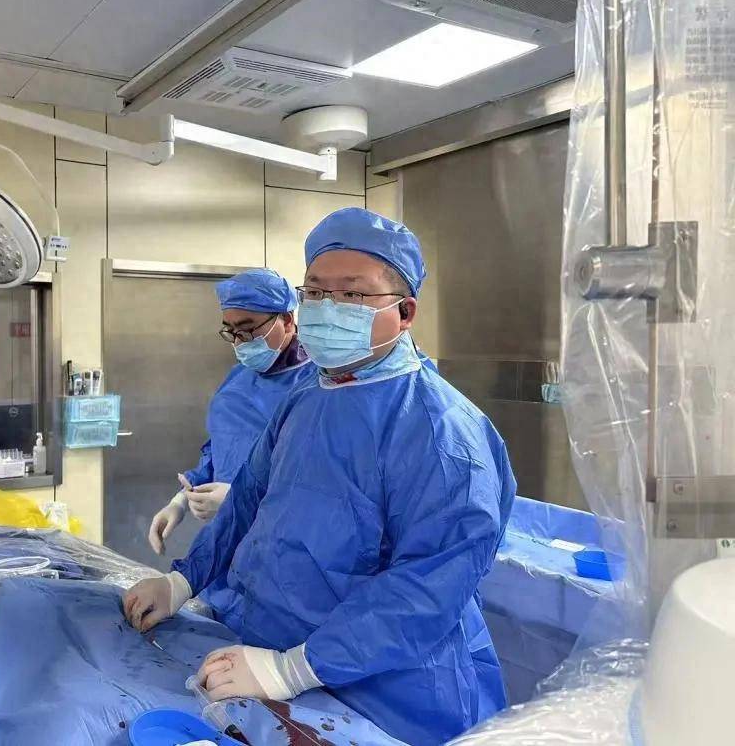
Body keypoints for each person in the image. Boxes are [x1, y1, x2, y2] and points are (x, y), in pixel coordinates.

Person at [123, 208, 516, 746]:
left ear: (405, 312)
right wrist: (184, 581)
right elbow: (249, 499)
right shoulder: (309, 394)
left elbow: (427, 584)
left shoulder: (442, 433)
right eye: (315, 291)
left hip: (388, 688)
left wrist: (294, 669)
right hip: (267, 647)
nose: (328, 307)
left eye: (352, 294)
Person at [148, 268, 317, 625]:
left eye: (249, 328)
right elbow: (221, 446)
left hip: (287, 569)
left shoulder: (318, 387)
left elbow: (322, 484)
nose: (240, 342)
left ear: (288, 320)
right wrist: (181, 500)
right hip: (224, 557)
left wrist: (244, 498)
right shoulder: (238, 379)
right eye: (231, 331)